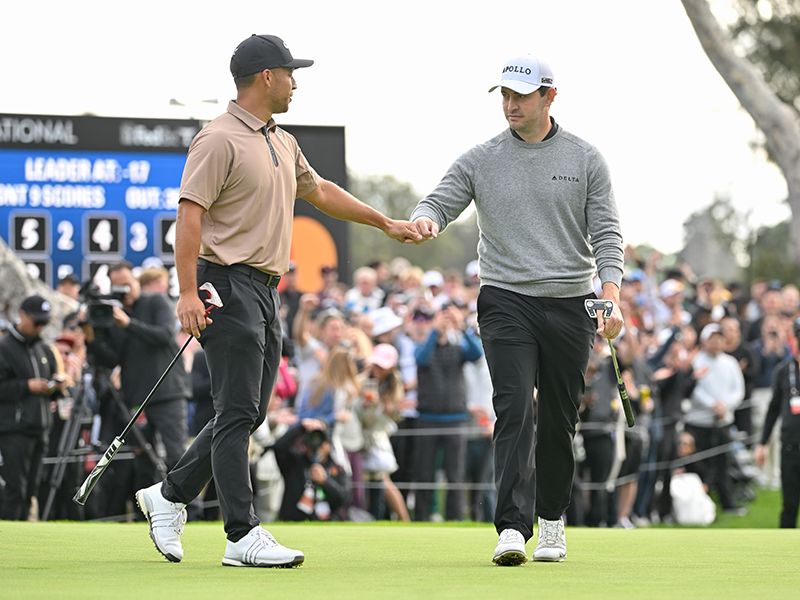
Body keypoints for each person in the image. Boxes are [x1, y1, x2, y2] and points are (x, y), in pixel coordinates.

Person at [134, 33, 421, 568]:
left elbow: (321, 191)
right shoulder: (217, 138)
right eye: (290, 72)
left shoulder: (281, 140)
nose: (296, 82)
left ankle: (169, 496)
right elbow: (189, 215)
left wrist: (385, 222)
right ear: (266, 76)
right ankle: (241, 535)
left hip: (267, 291)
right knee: (238, 410)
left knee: (250, 410)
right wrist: (188, 291)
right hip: (226, 283)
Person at [409, 54, 624, 564]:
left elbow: (608, 234)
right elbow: (439, 201)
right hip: (505, 298)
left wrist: (610, 294)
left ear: (549, 97)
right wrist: (424, 221)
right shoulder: (481, 158)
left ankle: (551, 521)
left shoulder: (586, 158)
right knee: (512, 409)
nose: (509, 105)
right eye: (504, 95)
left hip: (570, 302)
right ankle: (511, 526)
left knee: (557, 419)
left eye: (520, 96)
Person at [0, 295, 67, 520]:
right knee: (15, 489)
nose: (40, 327)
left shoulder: (44, 350)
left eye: (44, 323)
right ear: (22, 316)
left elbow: (51, 385)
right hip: (14, 428)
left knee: (31, 489)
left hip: (41, 427)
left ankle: (24, 538)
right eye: (37, 321)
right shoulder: (4, 347)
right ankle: (9, 538)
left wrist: (56, 386)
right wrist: (26, 386)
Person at [755, 317, 800, 528]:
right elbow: (773, 410)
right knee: (789, 504)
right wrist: (762, 443)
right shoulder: (784, 371)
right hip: (790, 446)